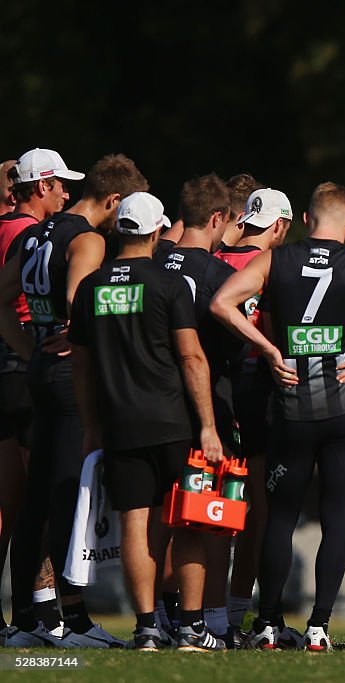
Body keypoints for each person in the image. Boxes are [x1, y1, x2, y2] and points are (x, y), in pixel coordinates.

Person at [212, 181, 345, 650]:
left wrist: (267, 349)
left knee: (280, 518)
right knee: (336, 514)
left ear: (305, 219)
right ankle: (320, 628)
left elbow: (222, 303)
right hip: (343, 406)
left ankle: (265, 624)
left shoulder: (274, 260)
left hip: (291, 406)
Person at [1, 153, 148, 648]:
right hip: (66, 376)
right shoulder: (87, 238)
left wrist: (30, 348)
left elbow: (1, 300)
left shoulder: (31, 234)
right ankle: (73, 623)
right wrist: (78, 338)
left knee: (36, 498)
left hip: (38, 370)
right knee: (66, 493)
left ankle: (24, 620)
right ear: (115, 202)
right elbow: (76, 300)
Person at [68, 191, 226, 651]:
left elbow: (80, 366)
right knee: (191, 523)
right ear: (158, 232)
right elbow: (192, 357)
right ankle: (193, 628)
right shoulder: (168, 284)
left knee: (136, 526)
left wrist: (92, 425)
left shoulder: (92, 288)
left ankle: (147, 628)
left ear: (119, 229)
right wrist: (209, 426)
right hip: (174, 422)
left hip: (120, 424)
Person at [162, 173, 245, 639]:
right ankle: (209, 617)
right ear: (217, 218)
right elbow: (235, 347)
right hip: (208, 404)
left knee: (157, 513)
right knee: (214, 515)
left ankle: (155, 616)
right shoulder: (219, 275)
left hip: (153, 401)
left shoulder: (154, 261)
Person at [0, 151, 72, 640]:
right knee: (37, 499)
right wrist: (30, 353)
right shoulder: (27, 233)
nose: (66, 195)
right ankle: (38, 613)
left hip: (7, 370)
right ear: (41, 185)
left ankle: (26, 613)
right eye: (61, 185)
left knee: (9, 505)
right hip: (24, 364)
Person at [215, 187, 291, 646]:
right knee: (259, 513)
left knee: (204, 510)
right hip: (258, 392)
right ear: (280, 226)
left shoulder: (215, 260)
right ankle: (245, 613)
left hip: (211, 395)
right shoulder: (274, 268)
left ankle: (187, 614)